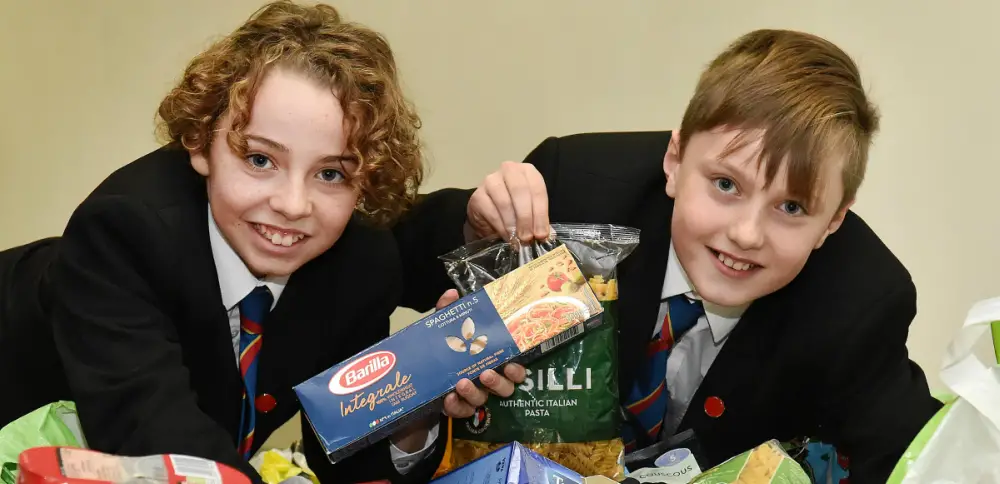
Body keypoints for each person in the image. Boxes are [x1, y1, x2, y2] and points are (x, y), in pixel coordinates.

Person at [0, 2, 523, 483]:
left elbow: (345, 454)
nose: (293, 204)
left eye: (331, 174)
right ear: (200, 142)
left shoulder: (359, 263)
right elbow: (161, 446)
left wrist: (413, 408)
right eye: (259, 160)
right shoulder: (123, 234)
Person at [405, 29, 941, 483]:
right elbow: (388, 255)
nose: (747, 233)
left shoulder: (861, 301)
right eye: (726, 184)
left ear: (833, 222)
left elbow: (921, 456)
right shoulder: (575, 187)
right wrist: (479, 238)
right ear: (675, 159)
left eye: (793, 206)